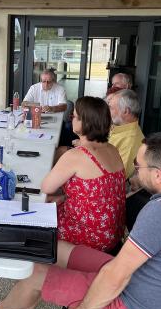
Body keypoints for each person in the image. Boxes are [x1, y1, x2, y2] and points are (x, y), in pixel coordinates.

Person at [0, 132, 161, 309]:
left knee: (33, 273)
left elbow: (116, 277)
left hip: (131, 305)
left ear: (158, 175)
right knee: (55, 248)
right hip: (143, 279)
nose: (135, 173)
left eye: (138, 167)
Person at [43, 96, 126, 252]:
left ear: (85, 122)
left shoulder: (78, 155)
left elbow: (46, 187)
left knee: (36, 210)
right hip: (112, 234)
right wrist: (63, 197)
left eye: (74, 116)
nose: (71, 118)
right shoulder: (112, 149)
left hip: (88, 237)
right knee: (53, 200)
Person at [106, 89, 144, 179]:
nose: (107, 111)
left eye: (111, 108)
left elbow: (118, 177)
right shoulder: (120, 130)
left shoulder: (130, 140)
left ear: (126, 111)